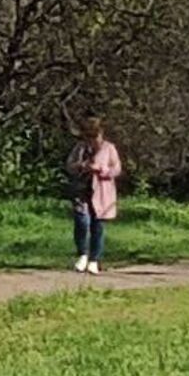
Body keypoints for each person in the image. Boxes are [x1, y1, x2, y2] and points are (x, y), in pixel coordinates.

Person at [65, 115, 122, 275]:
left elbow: (116, 168)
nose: (92, 140)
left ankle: (94, 260)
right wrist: (83, 166)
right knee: (82, 222)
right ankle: (82, 254)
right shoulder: (80, 148)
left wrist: (103, 170)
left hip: (101, 192)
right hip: (82, 190)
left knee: (97, 226)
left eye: (95, 136)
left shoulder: (109, 148)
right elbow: (69, 165)